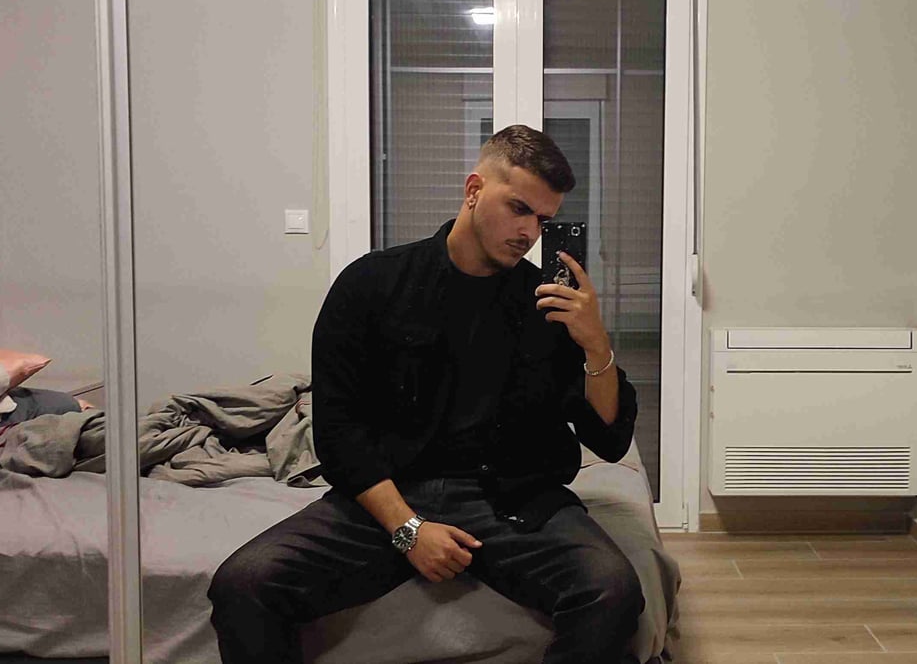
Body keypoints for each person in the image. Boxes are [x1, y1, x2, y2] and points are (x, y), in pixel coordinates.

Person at [208, 125, 643, 664]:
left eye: (543, 220)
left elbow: (609, 437)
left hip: (515, 502)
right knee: (243, 583)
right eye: (518, 209)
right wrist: (407, 529)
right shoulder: (372, 283)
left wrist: (596, 343)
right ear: (474, 190)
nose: (529, 232)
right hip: (390, 494)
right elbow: (339, 433)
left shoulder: (544, 304)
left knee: (613, 591)